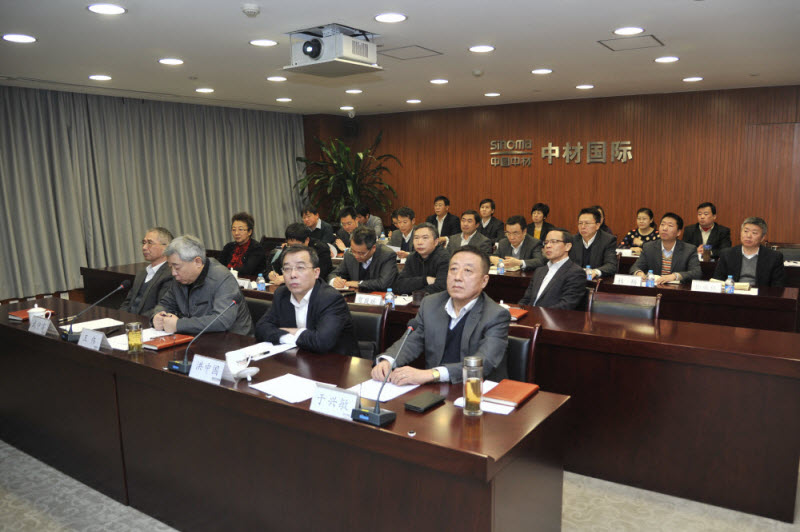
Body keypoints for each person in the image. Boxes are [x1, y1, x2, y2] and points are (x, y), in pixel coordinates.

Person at [371, 246, 509, 385]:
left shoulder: (495, 315)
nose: (457, 277)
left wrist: (433, 374)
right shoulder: (431, 303)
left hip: (477, 390)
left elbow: (484, 362)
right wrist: (388, 361)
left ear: (484, 281)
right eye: (453, 269)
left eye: (467, 271)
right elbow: (412, 340)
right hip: (436, 388)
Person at [256, 245, 360, 356]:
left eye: (300, 268)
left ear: (316, 272)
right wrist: (290, 336)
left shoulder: (331, 298)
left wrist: (293, 332)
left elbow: (322, 342)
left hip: (336, 361)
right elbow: (261, 328)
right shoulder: (282, 294)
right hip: (299, 357)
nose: (293, 275)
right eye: (287, 269)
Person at [152, 235, 254, 335]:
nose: (173, 273)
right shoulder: (180, 279)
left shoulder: (222, 278)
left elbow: (222, 320)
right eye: (170, 267)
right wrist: (158, 315)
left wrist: (179, 325)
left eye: (177, 267)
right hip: (198, 337)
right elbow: (165, 303)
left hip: (234, 340)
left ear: (197, 262)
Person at [519, 229, 586, 310]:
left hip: (552, 317)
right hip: (530, 315)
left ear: (567, 246)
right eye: (546, 242)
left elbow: (566, 305)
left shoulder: (575, 273)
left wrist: (537, 314)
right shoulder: (539, 271)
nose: (548, 246)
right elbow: (526, 299)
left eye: (554, 242)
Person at [712, 217, 786, 287]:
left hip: (760, 294)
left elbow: (777, 286)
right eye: (745, 231)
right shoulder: (727, 254)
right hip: (733, 293)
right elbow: (717, 281)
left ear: (762, 238)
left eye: (754, 233)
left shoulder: (774, 257)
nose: (748, 236)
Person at [631, 213, 701, 284]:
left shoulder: (689, 249)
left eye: (670, 226)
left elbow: (696, 273)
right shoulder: (649, 247)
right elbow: (635, 267)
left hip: (677, 289)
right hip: (654, 287)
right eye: (662, 224)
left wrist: (675, 276)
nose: (664, 228)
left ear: (678, 232)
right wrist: (639, 273)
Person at [120, 227, 174, 318]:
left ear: (166, 248)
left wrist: (134, 320)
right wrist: (120, 317)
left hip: (147, 322)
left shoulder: (170, 274)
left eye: (150, 243)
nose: (144, 247)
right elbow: (128, 302)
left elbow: (162, 307)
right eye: (144, 242)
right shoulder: (141, 273)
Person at [328, 226, 398, 290]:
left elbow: (383, 283)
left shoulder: (387, 255)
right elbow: (333, 274)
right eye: (353, 251)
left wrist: (358, 284)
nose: (356, 256)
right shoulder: (349, 254)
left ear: (373, 248)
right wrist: (335, 281)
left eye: (361, 253)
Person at [392, 222, 449, 295]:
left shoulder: (444, 258)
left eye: (425, 238)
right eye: (416, 238)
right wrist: (425, 280)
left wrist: (415, 291)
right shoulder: (412, 257)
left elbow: (441, 288)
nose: (419, 242)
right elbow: (399, 285)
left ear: (436, 242)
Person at [268, 223, 333, 284]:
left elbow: (318, 276)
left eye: (296, 246)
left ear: (307, 240)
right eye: (290, 245)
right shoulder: (288, 247)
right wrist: (271, 274)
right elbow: (275, 266)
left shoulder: (321, 250)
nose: (293, 249)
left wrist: (289, 278)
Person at [568, 207, 618, 280]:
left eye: (587, 223)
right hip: (575, 280)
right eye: (580, 223)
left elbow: (611, 265)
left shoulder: (608, 240)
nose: (583, 227)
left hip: (596, 281)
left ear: (597, 225)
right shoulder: (572, 240)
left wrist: (596, 272)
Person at [217, 212, 266, 276]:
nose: (236, 233)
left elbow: (246, 270)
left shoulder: (257, 249)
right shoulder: (228, 247)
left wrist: (225, 270)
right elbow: (219, 266)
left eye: (240, 229)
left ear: (249, 232)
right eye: (234, 229)